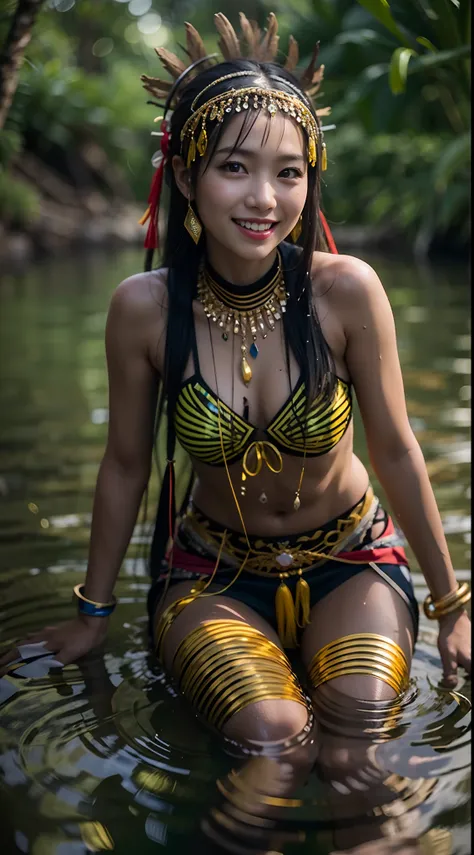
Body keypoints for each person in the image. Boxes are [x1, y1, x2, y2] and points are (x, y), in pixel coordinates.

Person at [1, 10, 470, 767]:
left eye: (289, 173)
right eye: (234, 168)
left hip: (351, 560)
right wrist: (91, 613)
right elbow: (124, 463)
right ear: (185, 174)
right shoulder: (144, 310)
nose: (264, 199)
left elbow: (396, 447)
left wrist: (453, 608)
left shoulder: (345, 291)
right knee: (268, 738)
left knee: (361, 729)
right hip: (211, 573)